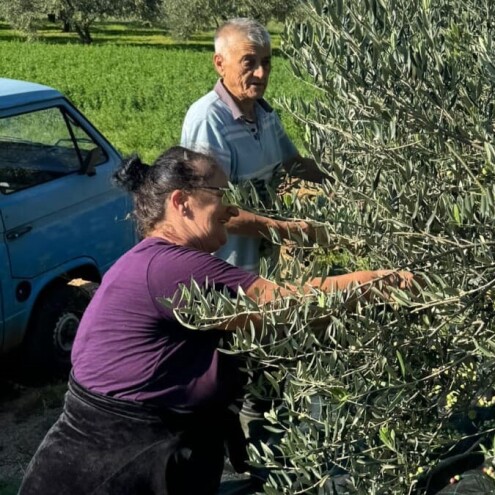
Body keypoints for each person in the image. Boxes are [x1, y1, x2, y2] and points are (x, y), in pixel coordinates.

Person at [18, 147, 412, 495]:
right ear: (182, 202)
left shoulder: (152, 260)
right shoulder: (169, 267)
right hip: (109, 468)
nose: (230, 208)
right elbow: (287, 305)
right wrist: (388, 281)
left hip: (117, 458)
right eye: (221, 194)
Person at [181, 17, 329, 273]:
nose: (261, 73)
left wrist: (351, 178)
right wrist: (290, 231)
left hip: (258, 274)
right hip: (220, 279)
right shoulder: (209, 119)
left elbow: (294, 164)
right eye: (249, 62)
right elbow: (212, 211)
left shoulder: (264, 114)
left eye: (266, 63)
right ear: (220, 64)